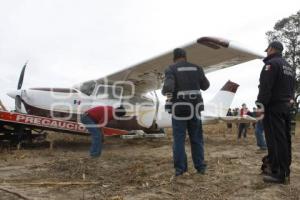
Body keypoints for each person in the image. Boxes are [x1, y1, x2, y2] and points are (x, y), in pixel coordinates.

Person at [162, 48, 210, 176]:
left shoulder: (171, 69)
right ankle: (200, 167)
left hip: (179, 109)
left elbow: (168, 87)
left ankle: (180, 169)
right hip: (195, 108)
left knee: (179, 140)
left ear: (174, 57)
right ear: (185, 56)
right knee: (196, 139)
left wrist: (164, 92)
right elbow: (206, 86)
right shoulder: (197, 68)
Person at [256, 41, 295, 184]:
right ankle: (284, 170)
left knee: (275, 140)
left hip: (273, 108)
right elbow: (291, 88)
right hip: (286, 106)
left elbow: (265, 87)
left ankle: (279, 174)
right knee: (285, 139)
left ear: (271, 49)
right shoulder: (289, 66)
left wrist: (260, 104)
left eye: (267, 50)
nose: (266, 52)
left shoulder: (271, 65)